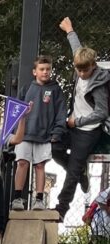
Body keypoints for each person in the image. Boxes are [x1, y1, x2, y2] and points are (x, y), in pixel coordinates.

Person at [53, 18, 110, 222]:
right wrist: (69, 30)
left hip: (88, 130)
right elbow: (76, 47)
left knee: (73, 171)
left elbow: (101, 113)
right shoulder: (80, 63)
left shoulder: (101, 83)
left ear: (93, 66)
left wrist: (78, 121)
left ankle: (60, 210)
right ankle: (79, 173)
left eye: (85, 70)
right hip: (72, 125)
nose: (82, 74)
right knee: (55, 148)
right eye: (79, 70)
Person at [13, 58, 68, 212]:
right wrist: (16, 131)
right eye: (42, 69)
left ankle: (39, 200)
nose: (45, 72)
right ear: (34, 71)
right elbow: (16, 110)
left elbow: (61, 113)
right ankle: (17, 198)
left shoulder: (56, 90)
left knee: (40, 166)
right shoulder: (26, 89)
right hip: (25, 134)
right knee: (22, 163)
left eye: (48, 69)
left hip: (45, 135)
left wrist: (57, 132)